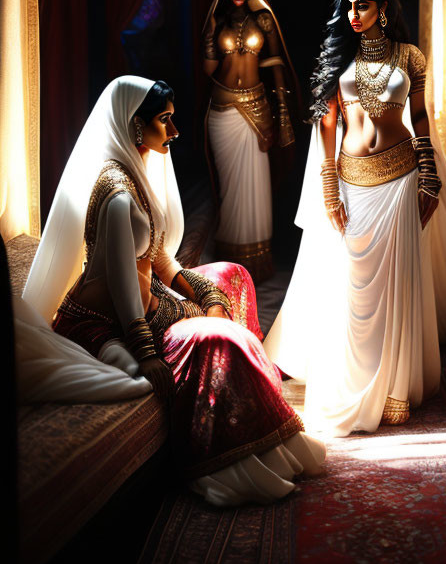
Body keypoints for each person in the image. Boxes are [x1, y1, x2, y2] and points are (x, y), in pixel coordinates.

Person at [22, 76, 324, 506]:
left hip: (148, 303)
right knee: (206, 343)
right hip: (104, 325)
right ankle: (224, 457)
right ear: (135, 126)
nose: (176, 132)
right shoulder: (119, 196)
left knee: (232, 277)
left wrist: (207, 295)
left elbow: (161, 261)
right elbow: (127, 290)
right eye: (165, 121)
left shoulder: (139, 171)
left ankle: (260, 429)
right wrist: (146, 352)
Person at [264, 0, 446, 436]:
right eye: (348, 7)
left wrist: (429, 177)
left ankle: (395, 386)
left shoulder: (410, 57)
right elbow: (328, 126)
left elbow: (420, 116)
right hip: (352, 184)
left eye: (362, 6)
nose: (353, 16)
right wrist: (329, 186)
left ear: (383, 9)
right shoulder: (341, 58)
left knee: (397, 284)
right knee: (353, 289)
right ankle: (352, 378)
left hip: (401, 177)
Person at [201, 0, 298, 281]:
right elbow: (209, 71)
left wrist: (283, 113)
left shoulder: (264, 20)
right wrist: (210, 37)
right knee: (230, 187)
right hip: (222, 107)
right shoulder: (217, 21)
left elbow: (275, 63)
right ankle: (229, 261)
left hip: (257, 108)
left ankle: (256, 263)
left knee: (256, 185)